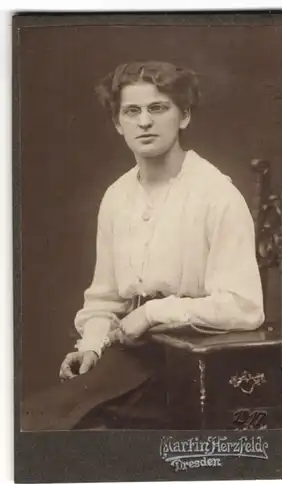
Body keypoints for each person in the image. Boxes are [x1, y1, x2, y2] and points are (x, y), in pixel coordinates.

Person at [23, 61, 264, 431]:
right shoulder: (117, 196)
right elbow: (104, 299)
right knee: (31, 421)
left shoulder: (217, 195)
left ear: (183, 116)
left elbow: (245, 308)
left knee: (83, 430)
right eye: (131, 111)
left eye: (158, 108)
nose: (144, 122)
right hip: (126, 358)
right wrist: (91, 345)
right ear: (118, 124)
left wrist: (152, 314)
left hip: (186, 364)